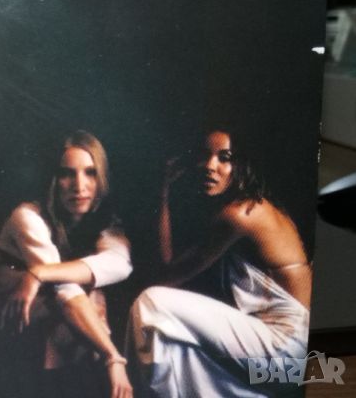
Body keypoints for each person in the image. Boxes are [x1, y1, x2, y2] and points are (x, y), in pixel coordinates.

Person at [128, 128, 312, 397]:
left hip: (283, 352)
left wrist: (163, 194)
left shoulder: (240, 215)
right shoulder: (260, 206)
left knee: (151, 303)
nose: (209, 166)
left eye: (224, 158)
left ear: (242, 165)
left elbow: (167, 275)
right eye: (204, 156)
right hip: (286, 353)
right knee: (176, 341)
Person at [0, 130, 134, 398]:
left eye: (90, 173)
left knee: (92, 306)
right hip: (7, 307)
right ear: (53, 179)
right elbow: (65, 289)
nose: (79, 185)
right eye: (67, 174)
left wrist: (39, 273)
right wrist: (113, 357)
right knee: (67, 318)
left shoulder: (106, 222)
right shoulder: (27, 216)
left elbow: (119, 264)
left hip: (57, 301)